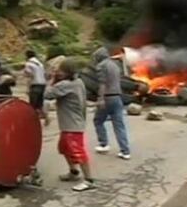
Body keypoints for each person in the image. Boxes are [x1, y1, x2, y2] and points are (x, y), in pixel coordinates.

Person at [44, 58, 95, 192]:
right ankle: (73, 172)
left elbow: (47, 94)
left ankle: (89, 180)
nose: (58, 71)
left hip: (72, 125)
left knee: (78, 151)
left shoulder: (66, 85)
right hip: (72, 123)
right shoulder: (78, 82)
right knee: (64, 148)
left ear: (67, 72)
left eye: (60, 70)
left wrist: (53, 79)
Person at [92, 47, 131, 160]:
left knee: (98, 120)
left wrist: (100, 99)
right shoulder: (115, 65)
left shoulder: (101, 66)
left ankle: (103, 144)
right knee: (119, 125)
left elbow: (102, 84)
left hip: (107, 97)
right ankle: (125, 151)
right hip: (117, 97)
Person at [24, 50, 50, 126]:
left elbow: (30, 75)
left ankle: (32, 122)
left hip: (35, 85)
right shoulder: (40, 64)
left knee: (32, 105)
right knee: (40, 104)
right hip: (43, 84)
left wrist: (27, 87)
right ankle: (46, 117)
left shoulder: (28, 64)